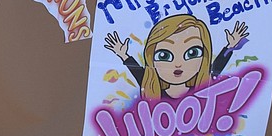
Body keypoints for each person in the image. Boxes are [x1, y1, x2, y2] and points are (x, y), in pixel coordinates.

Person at [104, 15, 249, 100]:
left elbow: (214, 70)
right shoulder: (152, 87)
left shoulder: (202, 87)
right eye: (164, 55)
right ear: (151, 56)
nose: (178, 64)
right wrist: (123, 55)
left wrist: (230, 47)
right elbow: (140, 74)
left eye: (192, 53)